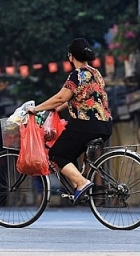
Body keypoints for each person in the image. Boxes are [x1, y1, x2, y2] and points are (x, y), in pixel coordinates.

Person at [27, 38, 113, 204]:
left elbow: (61, 97)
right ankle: (78, 186)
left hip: (85, 125)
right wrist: (56, 109)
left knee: (56, 154)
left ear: (70, 56)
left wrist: (36, 108)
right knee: (68, 151)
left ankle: (82, 182)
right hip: (105, 125)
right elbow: (78, 99)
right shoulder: (95, 73)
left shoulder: (77, 75)